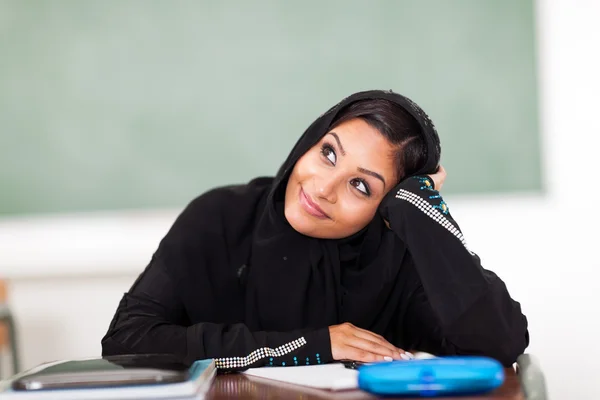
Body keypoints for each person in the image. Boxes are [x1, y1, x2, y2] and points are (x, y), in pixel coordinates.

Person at [101, 90, 529, 371]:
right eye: (328, 154)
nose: (322, 189)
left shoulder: (392, 262)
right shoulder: (220, 217)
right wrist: (314, 345)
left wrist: (421, 212)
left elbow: (500, 343)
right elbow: (127, 342)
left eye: (361, 186)